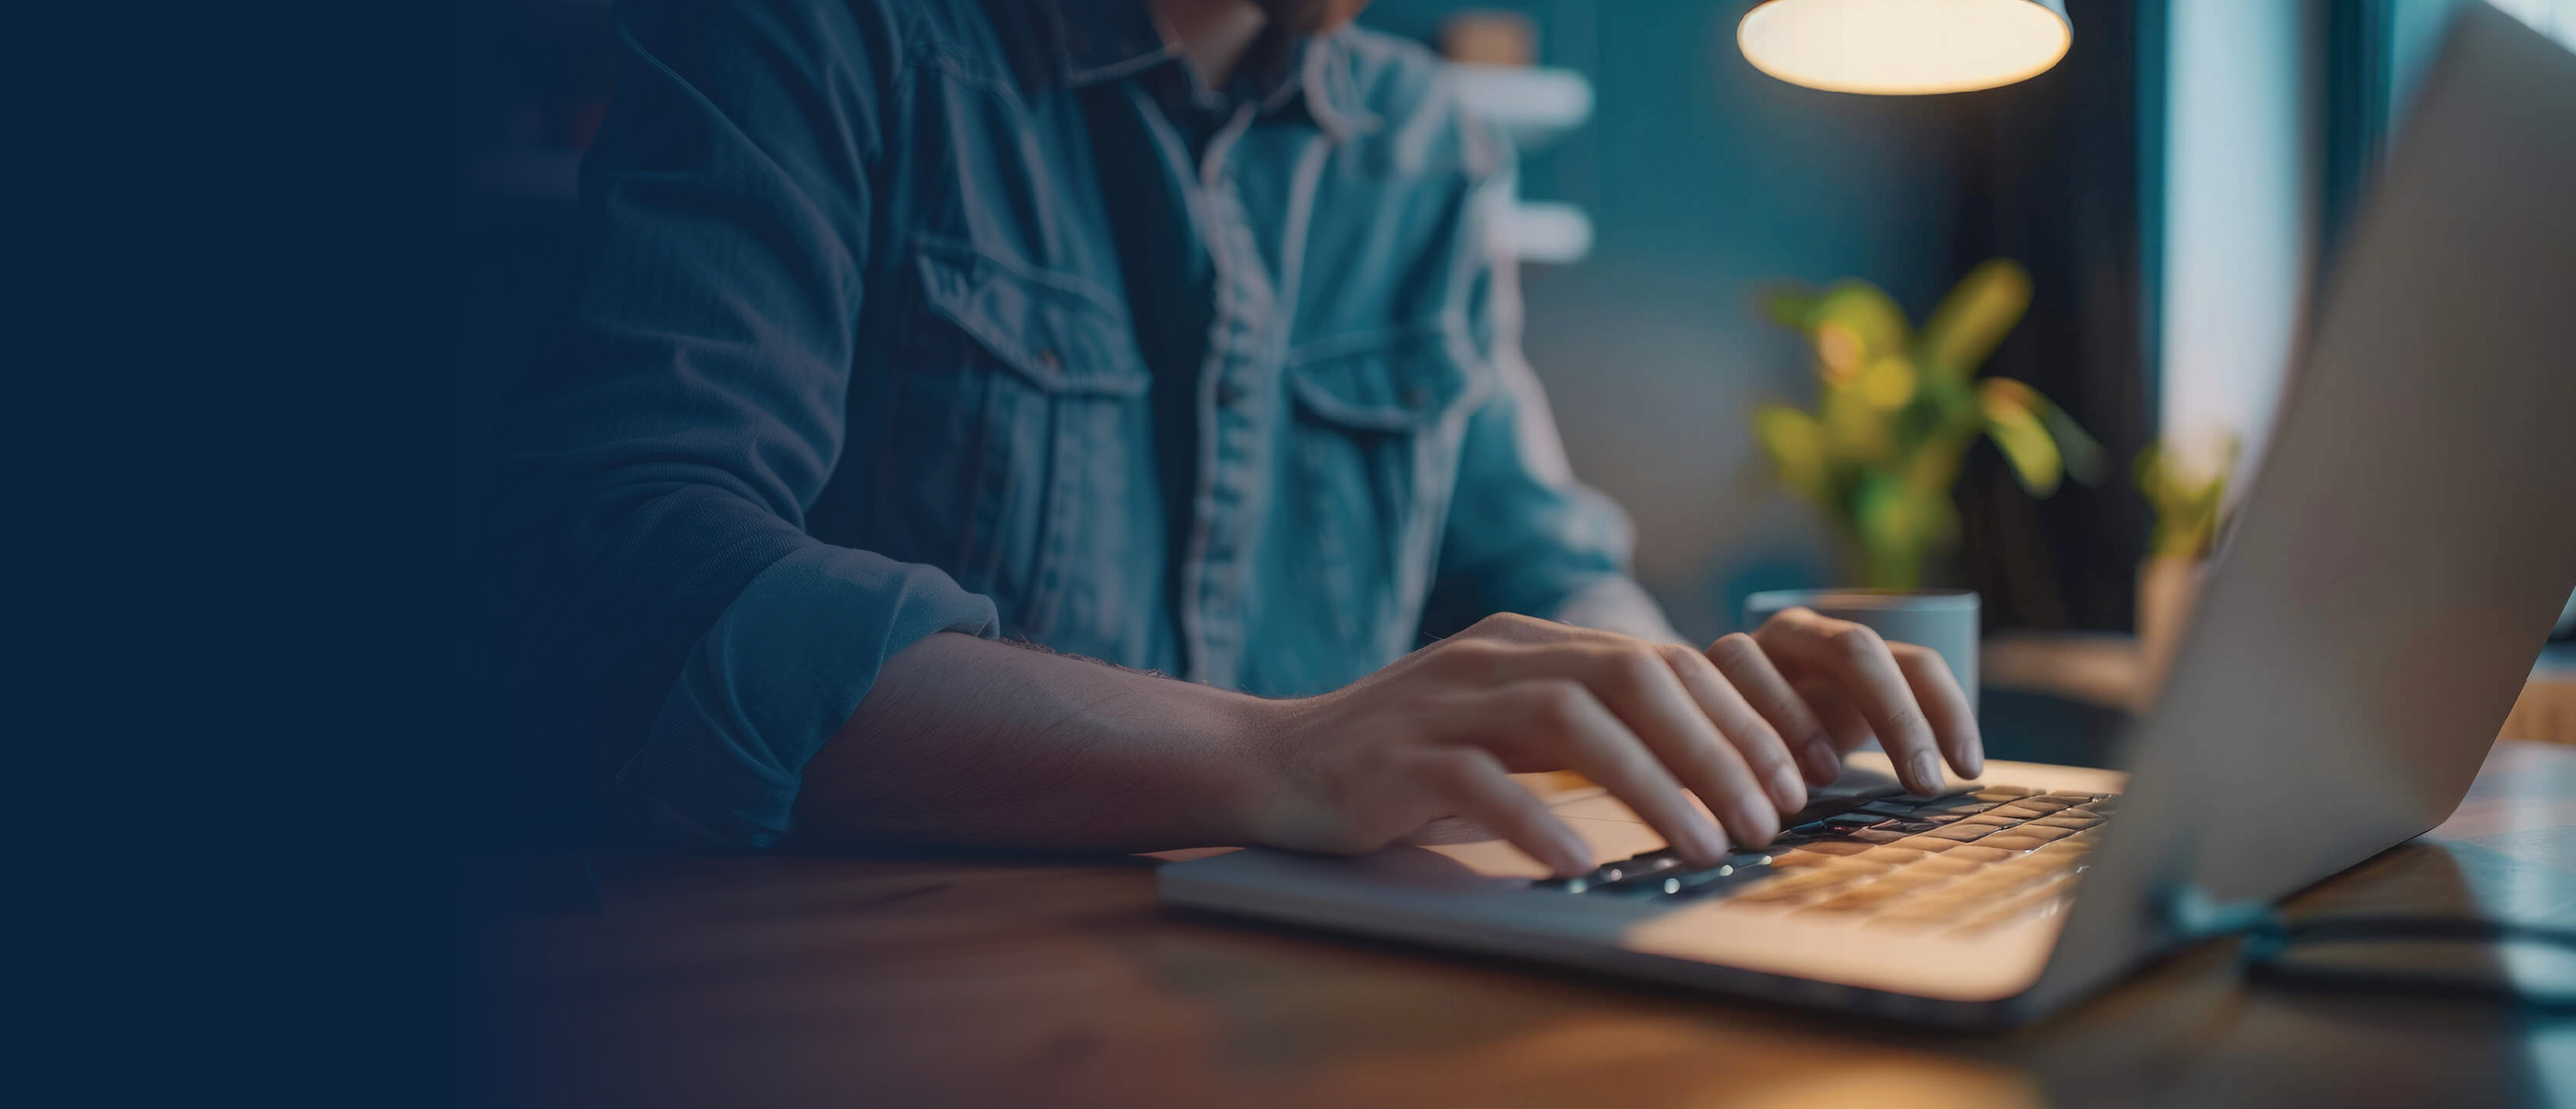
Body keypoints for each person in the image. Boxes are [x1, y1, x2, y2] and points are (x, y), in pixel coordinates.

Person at [492, 0, 1983, 877]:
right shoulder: (829, 35)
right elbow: (639, 569)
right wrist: (1279, 754)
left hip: (1318, 999)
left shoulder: (1419, 138)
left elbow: (1529, 552)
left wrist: (1675, 691)